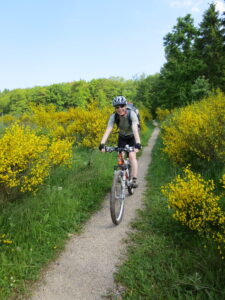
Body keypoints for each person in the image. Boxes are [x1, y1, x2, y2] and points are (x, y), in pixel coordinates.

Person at [99, 96, 141, 188]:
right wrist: (102, 144)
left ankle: (134, 179)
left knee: (131, 156)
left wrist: (137, 143)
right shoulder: (114, 116)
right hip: (122, 136)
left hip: (133, 136)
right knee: (120, 154)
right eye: (117, 107)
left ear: (125, 106)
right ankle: (121, 173)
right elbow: (108, 129)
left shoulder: (132, 114)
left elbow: (135, 128)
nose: (120, 109)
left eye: (122, 106)